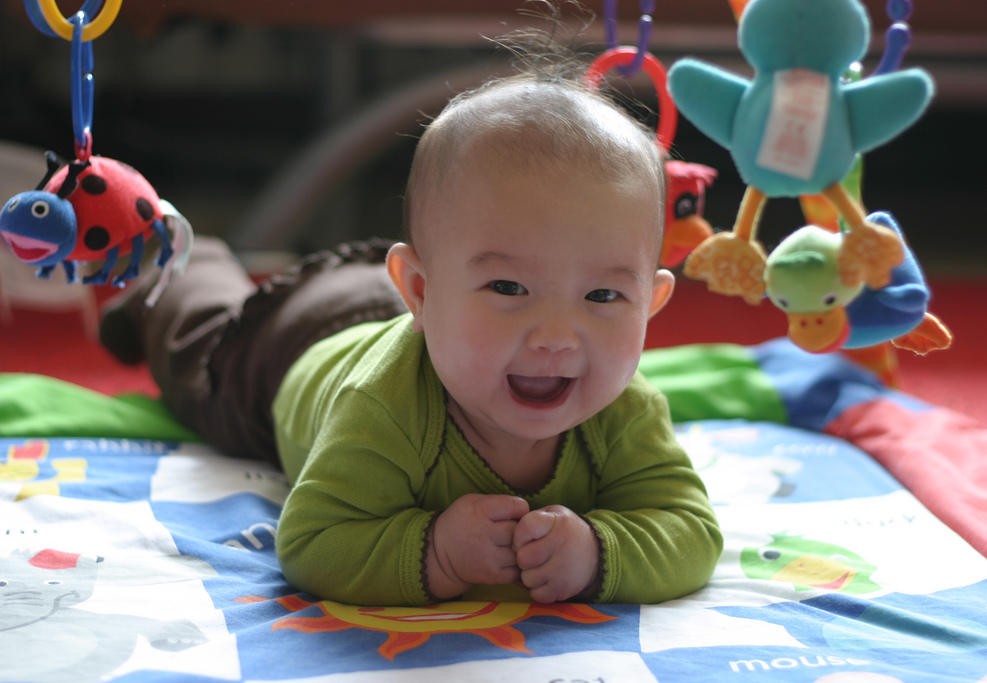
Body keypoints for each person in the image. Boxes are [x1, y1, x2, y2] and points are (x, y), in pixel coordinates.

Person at [100, 57, 723, 607]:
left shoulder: (626, 409)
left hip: (415, 303)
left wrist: (599, 553)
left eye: (603, 295)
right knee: (203, 351)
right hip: (292, 342)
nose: (558, 336)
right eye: (509, 288)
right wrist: (437, 553)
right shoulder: (382, 405)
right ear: (420, 291)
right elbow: (314, 543)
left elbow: (691, 530)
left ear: (652, 303)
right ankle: (178, 268)